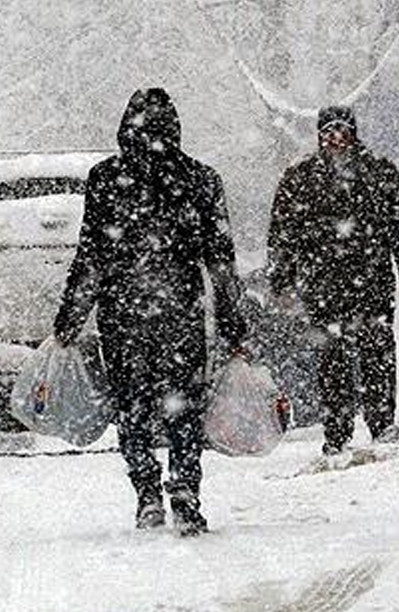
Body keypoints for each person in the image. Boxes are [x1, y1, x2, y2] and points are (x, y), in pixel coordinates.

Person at [53, 88, 247, 536]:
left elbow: (92, 257)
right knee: (184, 408)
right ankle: (185, 490)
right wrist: (233, 322)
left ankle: (146, 493)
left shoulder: (105, 179)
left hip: (124, 315)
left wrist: (70, 317)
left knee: (133, 407)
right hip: (180, 312)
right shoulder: (200, 179)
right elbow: (220, 260)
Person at [268, 105, 399, 455]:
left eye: (342, 130)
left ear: (353, 132)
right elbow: (282, 232)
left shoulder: (378, 171)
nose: (335, 138)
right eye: (329, 131)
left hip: (372, 279)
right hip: (323, 283)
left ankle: (382, 422)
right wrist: (281, 278)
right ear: (320, 135)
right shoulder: (301, 176)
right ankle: (337, 430)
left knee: (377, 352)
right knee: (331, 359)